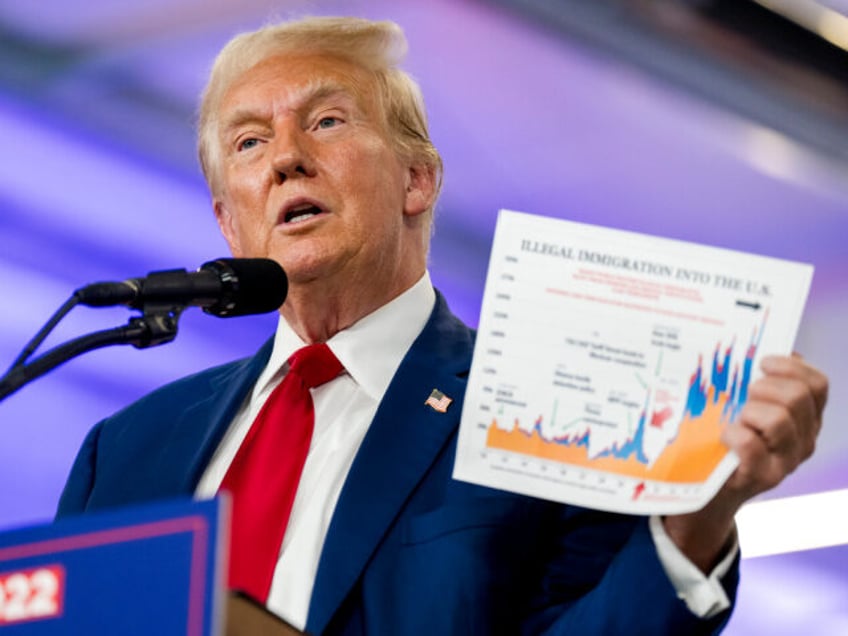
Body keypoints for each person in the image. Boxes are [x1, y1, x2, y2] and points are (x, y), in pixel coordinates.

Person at [55, 16, 828, 636]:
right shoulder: (123, 452)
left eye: (325, 121)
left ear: (417, 179)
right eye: (249, 141)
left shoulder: (548, 403)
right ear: (229, 220)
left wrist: (691, 527)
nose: (286, 158)